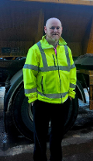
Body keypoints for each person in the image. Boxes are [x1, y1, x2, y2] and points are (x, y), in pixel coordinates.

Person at [23, 17, 76, 161]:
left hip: (62, 102)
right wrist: (33, 98)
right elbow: (28, 75)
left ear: (62, 30)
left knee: (57, 139)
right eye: (52, 28)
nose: (55, 31)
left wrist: (71, 93)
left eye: (58, 28)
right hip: (42, 102)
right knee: (40, 140)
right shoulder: (36, 50)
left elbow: (72, 72)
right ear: (45, 29)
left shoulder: (66, 50)